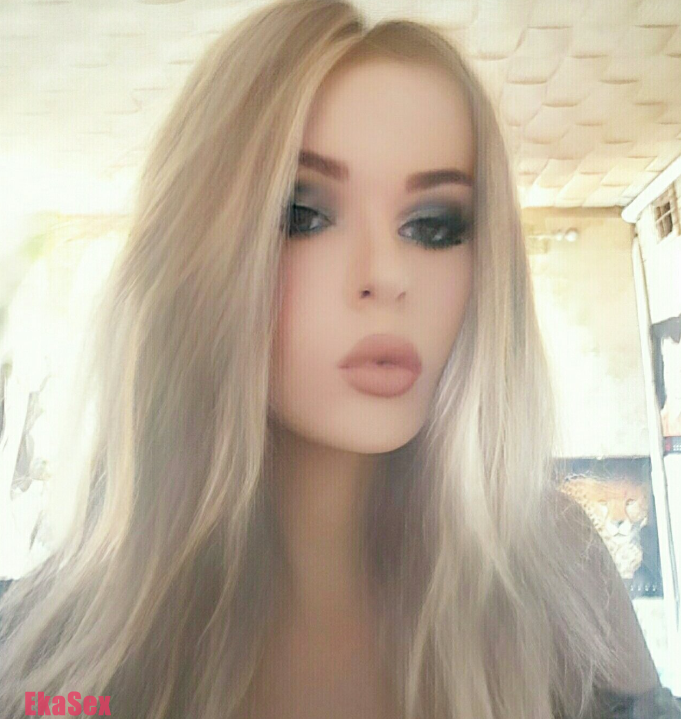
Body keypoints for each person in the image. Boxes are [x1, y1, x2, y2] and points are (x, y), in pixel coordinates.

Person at [0, 1, 679, 717]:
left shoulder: (557, 572)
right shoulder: (51, 652)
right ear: (197, 256)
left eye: (433, 225)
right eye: (302, 215)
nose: (386, 275)